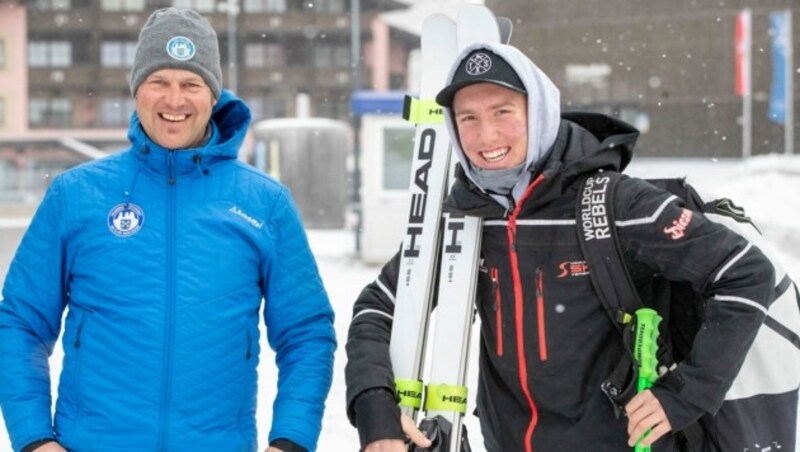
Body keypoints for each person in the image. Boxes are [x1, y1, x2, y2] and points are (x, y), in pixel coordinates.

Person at [344, 40, 776, 451]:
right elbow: (378, 306)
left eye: (503, 112)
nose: (486, 135)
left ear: (541, 113)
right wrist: (374, 409)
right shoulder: (465, 218)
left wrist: (686, 393)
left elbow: (744, 271)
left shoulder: (615, 202)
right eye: (468, 118)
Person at [0, 7, 336, 452]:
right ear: (137, 90)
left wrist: (291, 439)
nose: (174, 101)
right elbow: (21, 321)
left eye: (190, 84)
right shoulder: (77, 194)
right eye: (159, 81)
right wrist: (35, 438)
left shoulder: (264, 203)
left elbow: (307, 333)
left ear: (213, 95)